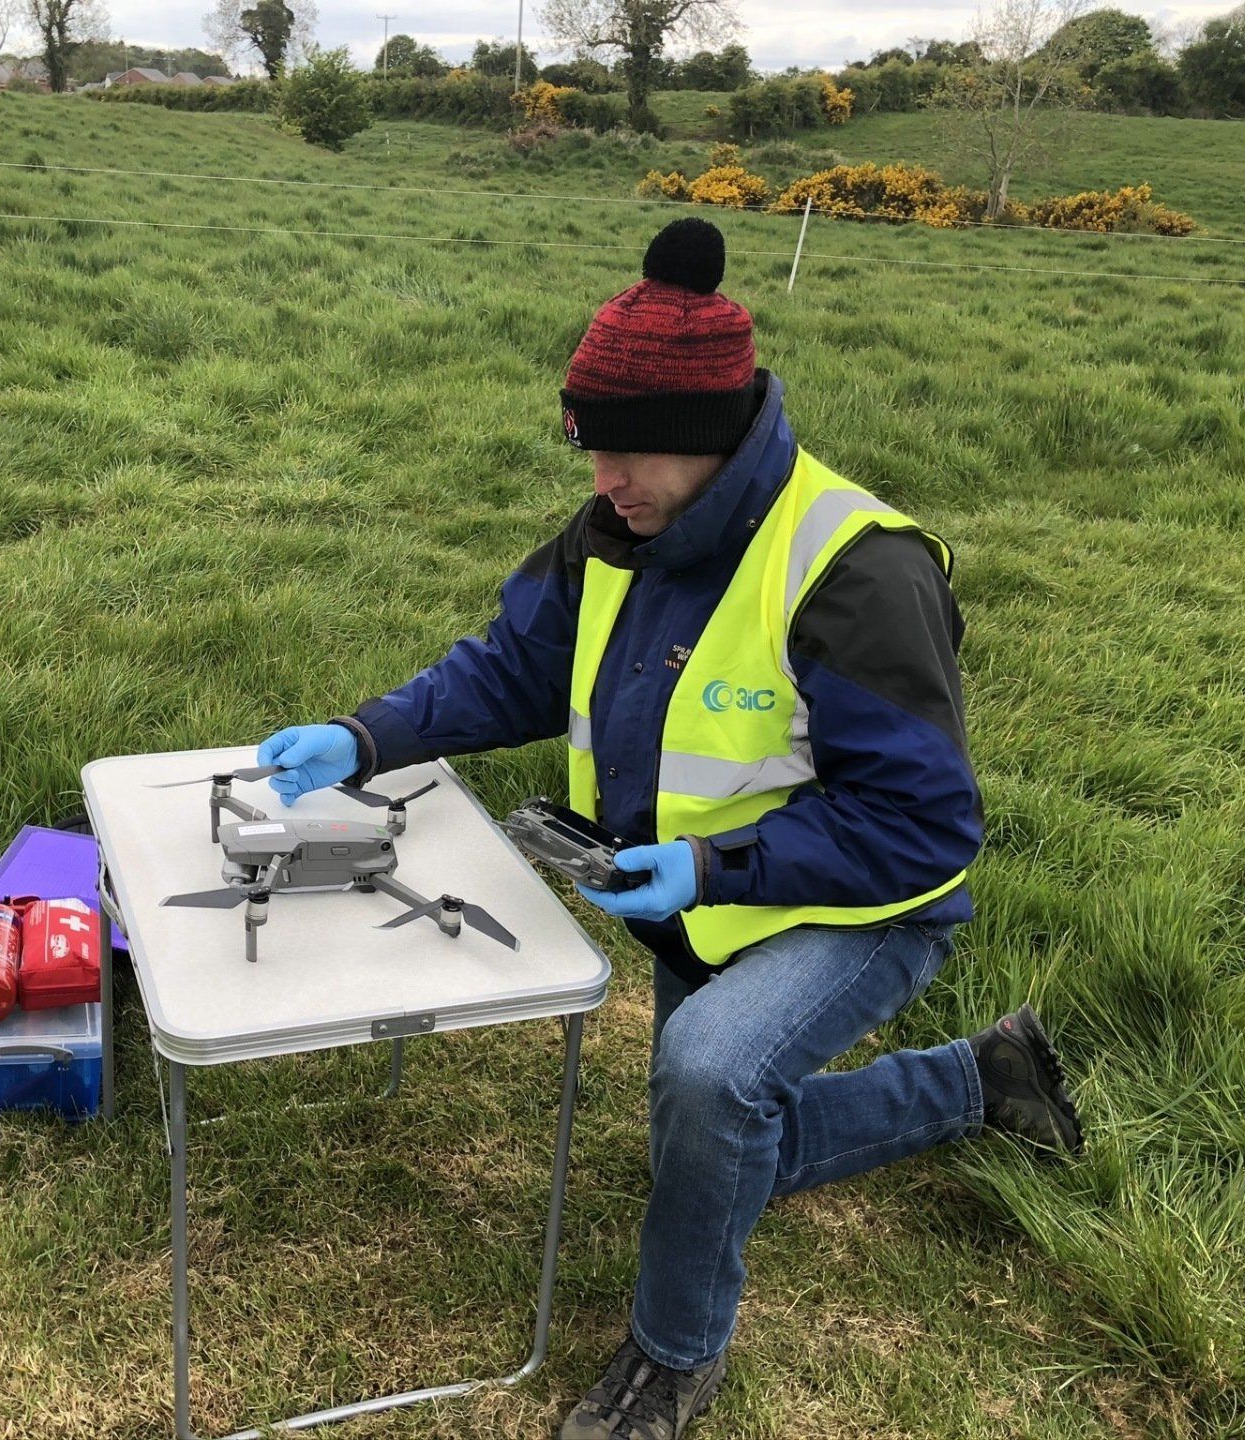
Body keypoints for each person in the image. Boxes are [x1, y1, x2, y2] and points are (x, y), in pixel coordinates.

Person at [255, 217, 1083, 1440]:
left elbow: (925, 828)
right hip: (703, 906)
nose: (603, 480)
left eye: (630, 453)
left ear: (712, 442)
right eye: (590, 450)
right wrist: (369, 737)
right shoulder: (618, 533)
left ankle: (671, 1358)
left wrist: (711, 865)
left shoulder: (859, 570)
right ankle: (982, 1080)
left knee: (708, 1089)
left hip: (861, 910)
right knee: (709, 1150)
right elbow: (511, 671)